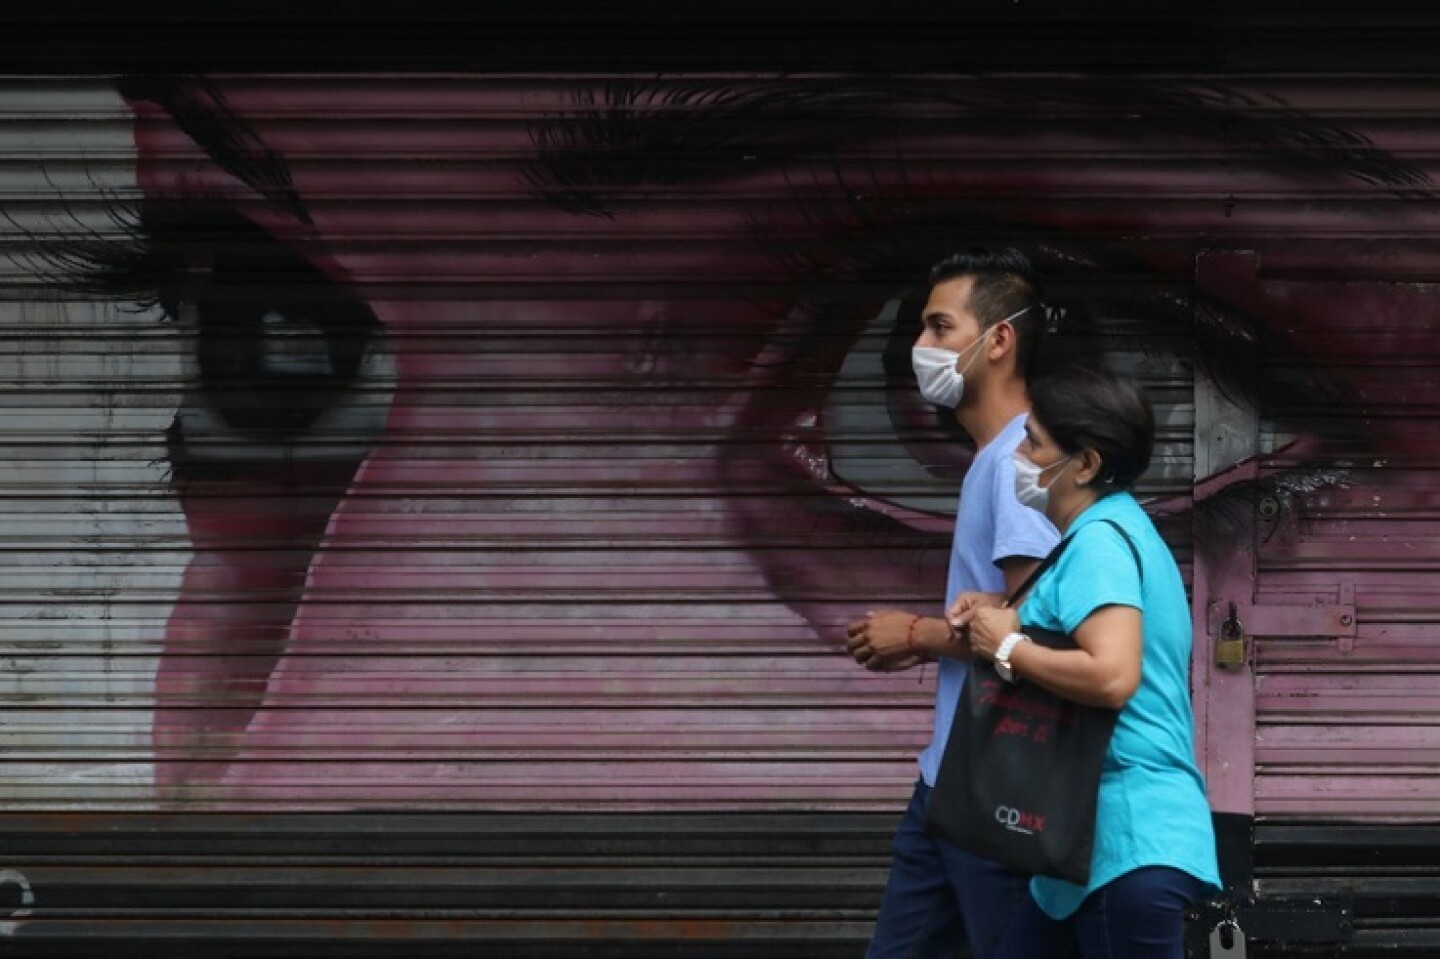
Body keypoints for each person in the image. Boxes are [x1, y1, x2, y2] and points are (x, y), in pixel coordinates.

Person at [953, 366, 1222, 959]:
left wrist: (1005, 646)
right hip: (1086, 853)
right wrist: (1006, 611)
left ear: (1086, 464)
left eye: (1034, 443)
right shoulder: (1112, 532)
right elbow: (1080, 623)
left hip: (1126, 845)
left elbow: (1112, 674)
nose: (1018, 455)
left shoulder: (1100, 541)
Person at [844, 248, 1060, 958]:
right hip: (948, 776)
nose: (920, 348)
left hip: (993, 786)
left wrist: (913, 633)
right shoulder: (995, 459)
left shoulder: (1018, 465)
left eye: (940, 328)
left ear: (999, 339)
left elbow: (1035, 631)